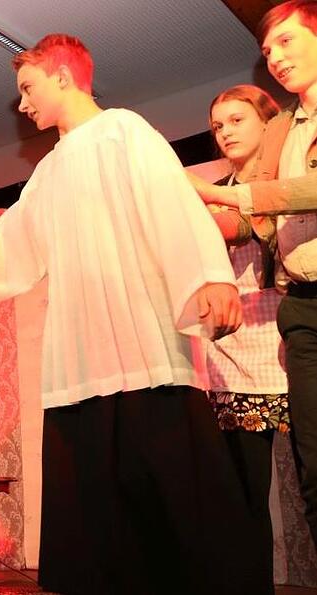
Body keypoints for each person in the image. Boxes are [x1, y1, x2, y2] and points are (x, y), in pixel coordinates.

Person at [0, 34, 269, 595]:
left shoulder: (125, 131)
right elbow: (7, 249)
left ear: (63, 76)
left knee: (179, 506)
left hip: (145, 350)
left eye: (28, 88)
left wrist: (211, 275)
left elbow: (176, 204)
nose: (22, 104)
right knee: (98, 520)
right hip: (81, 363)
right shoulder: (48, 172)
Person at [190, 0, 317, 551]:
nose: (276, 58)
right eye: (268, 51)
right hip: (279, 321)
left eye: (287, 41)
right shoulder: (280, 138)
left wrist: (219, 199)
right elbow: (245, 224)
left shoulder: (270, 163)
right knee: (284, 477)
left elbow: (267, 207)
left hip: (275, 328)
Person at [205, 83, 289, 586]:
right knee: (243, 489)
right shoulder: (214, 188)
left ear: (268, 122)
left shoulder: (291, 182)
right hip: (236, 350)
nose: (225, 132)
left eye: (237, 120)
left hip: (294, 336)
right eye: (218, 125)